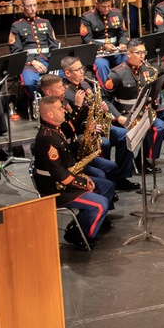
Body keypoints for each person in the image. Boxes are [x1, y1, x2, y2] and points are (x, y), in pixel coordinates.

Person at [33, 96, 114, 250]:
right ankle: (79, 235)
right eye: (59, 108)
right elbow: (60, 176)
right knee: (100, 205)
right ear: (49, 114)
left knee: (107, 186)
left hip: (66, 179)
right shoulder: (47, 139)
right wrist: (84, 183)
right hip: (57, 189)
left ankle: (88, 221)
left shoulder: (56, 129)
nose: (64, 110)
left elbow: (69, 159)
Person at [104, 39, 164, 168]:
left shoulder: (149, 69)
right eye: (138, 53)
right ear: (128, 54)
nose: (142, 56)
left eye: (143, 52)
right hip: (129, 114)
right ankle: (144, 160)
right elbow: (105, 99)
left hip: (149, 109)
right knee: (158, 126)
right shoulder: (117, 73)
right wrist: (118, 117)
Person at [61, 56, 137, 191]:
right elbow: (69, 124)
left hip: (97, 127)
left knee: (126, 135)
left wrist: (101, 109)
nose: (82, 72)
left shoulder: (85, 85)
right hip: (81, 134)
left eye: (82, 68)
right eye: (78, 70)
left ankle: (121, 177)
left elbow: (94, 108)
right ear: (67, 73)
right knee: (104, 143)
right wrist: (80, 110)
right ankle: (107, 183)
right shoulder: (65, 94)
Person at [9, 0, 60, 103]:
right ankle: (40, 104)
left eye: (34, 5)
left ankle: (59, 103)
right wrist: (32, 61)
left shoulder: (45, 22)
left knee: (66, 75)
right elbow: (16, 51)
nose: (32, 9)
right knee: (29, 82)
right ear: (22, 7)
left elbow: (53, 45)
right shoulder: (16, 26)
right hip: (28, 63)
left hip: (47, 60)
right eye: (29, 6)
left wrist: (53, 61)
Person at [80, 0, 129, 85]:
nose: (107, 9)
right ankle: (106, 92)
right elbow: (87, 39)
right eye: (103, 7)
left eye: (109, 6)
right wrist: (103, 46)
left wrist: (123, 42)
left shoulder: (116, 13)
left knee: (130, 58)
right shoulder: (87, 17)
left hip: (116, 51)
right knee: (101, 65)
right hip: (98, 53)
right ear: (96, 3)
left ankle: (126, 88)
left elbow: (123, 33)